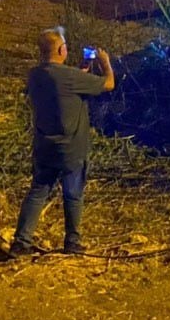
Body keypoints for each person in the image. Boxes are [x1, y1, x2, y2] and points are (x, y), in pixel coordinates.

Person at [9, 29, 115, 258]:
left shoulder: (35, 75)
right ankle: (72, 241)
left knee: (37, 192)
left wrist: (80, 72)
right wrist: (105, 62)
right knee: (73, 194)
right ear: (60, 49)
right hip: (71, 149)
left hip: (45, 146)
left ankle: (21, 242)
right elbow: (109, 84)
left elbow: (61, 86)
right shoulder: (69, 77)